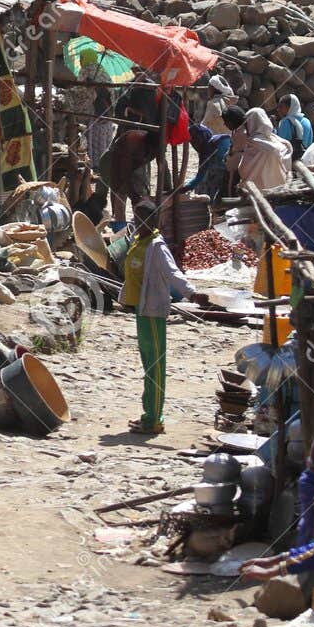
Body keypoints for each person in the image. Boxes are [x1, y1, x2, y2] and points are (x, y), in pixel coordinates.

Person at [121, 200, 192, 435]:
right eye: (135, 216)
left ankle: (154, 420)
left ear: (152, 221)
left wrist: (192, 293)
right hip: (141, 311)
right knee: (147, 364)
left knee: (155, 367)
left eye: (142, 218)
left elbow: (173, 273)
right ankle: (148, 414)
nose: (137, 221)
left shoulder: (157, 246)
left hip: (153, 312)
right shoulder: (139, 241)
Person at [226, 107, 291, 192]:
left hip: (257, 192)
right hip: (280, 190)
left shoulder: (253, 142)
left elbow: (244, 169)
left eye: (246, 123)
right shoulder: (279, 141)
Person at [183, 122, 233, 202]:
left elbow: (200, 176)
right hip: (233, 175)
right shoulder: (220, 138)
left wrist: (185, 188)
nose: (194, 144)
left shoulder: (207, 149)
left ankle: (210, 202)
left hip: (225, 179)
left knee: (205, 180)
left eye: (194, 141)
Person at [274, 94, 313, 164]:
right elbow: (309, 143)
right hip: (305, 160)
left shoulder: (285, 122)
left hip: (288, 161)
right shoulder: (307, 121)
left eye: (281, 107)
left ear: (290, 107)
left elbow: (279, 143)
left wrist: (274, 129)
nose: (278, 109)